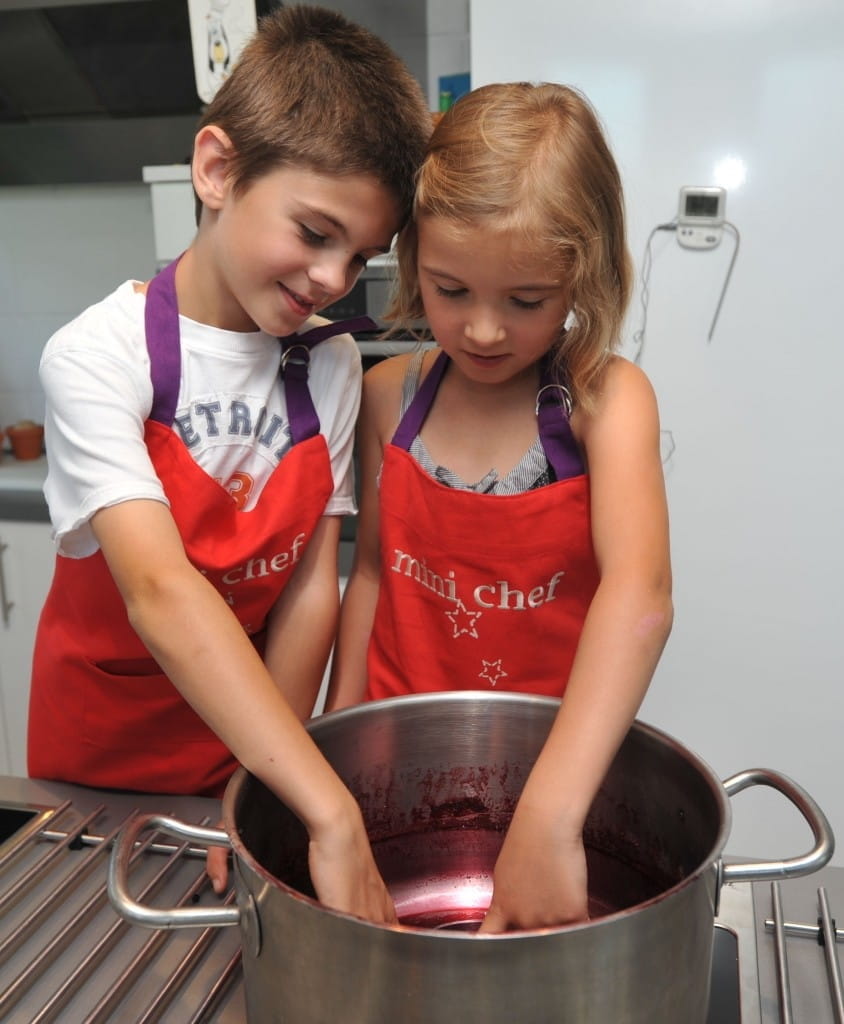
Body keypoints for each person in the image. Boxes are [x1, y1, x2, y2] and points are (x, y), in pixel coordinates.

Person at [27, 5, 431, 924]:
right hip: (100, 768)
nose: (335, 278)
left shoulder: (324, 358)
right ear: (218, 170)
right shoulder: (99, 354)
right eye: (317, 231)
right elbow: (161, 591)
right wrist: (325, 804)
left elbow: (305, 590)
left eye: (362, 254)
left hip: (249, 744)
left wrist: (266, 778)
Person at [326, 81, 674, 931]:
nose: (483, 331)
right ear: (413, 266)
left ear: (583, 276)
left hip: (555, 769)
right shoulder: (386, 398)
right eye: (450, 291)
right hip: (397, 763)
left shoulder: (605, 402)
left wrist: (550, 815)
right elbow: (369, 575)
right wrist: (333, 747)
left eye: (525, 302)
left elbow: (641, 596)